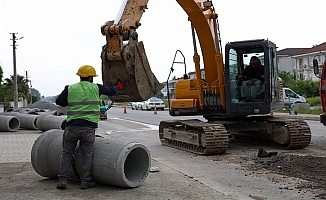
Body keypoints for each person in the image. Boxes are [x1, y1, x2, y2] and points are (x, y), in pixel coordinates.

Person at [55, 65, 124, 190]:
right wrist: (119, 87)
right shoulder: (96, 88)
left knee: (66, 153)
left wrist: (70, 100)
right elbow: (112, 91)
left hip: (72, 127)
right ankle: (85, 181)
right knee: (87, 155)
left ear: (80, 76)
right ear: (91, 78)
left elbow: (59, 101)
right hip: (88, 128)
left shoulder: (70, 88)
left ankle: (62, 180)